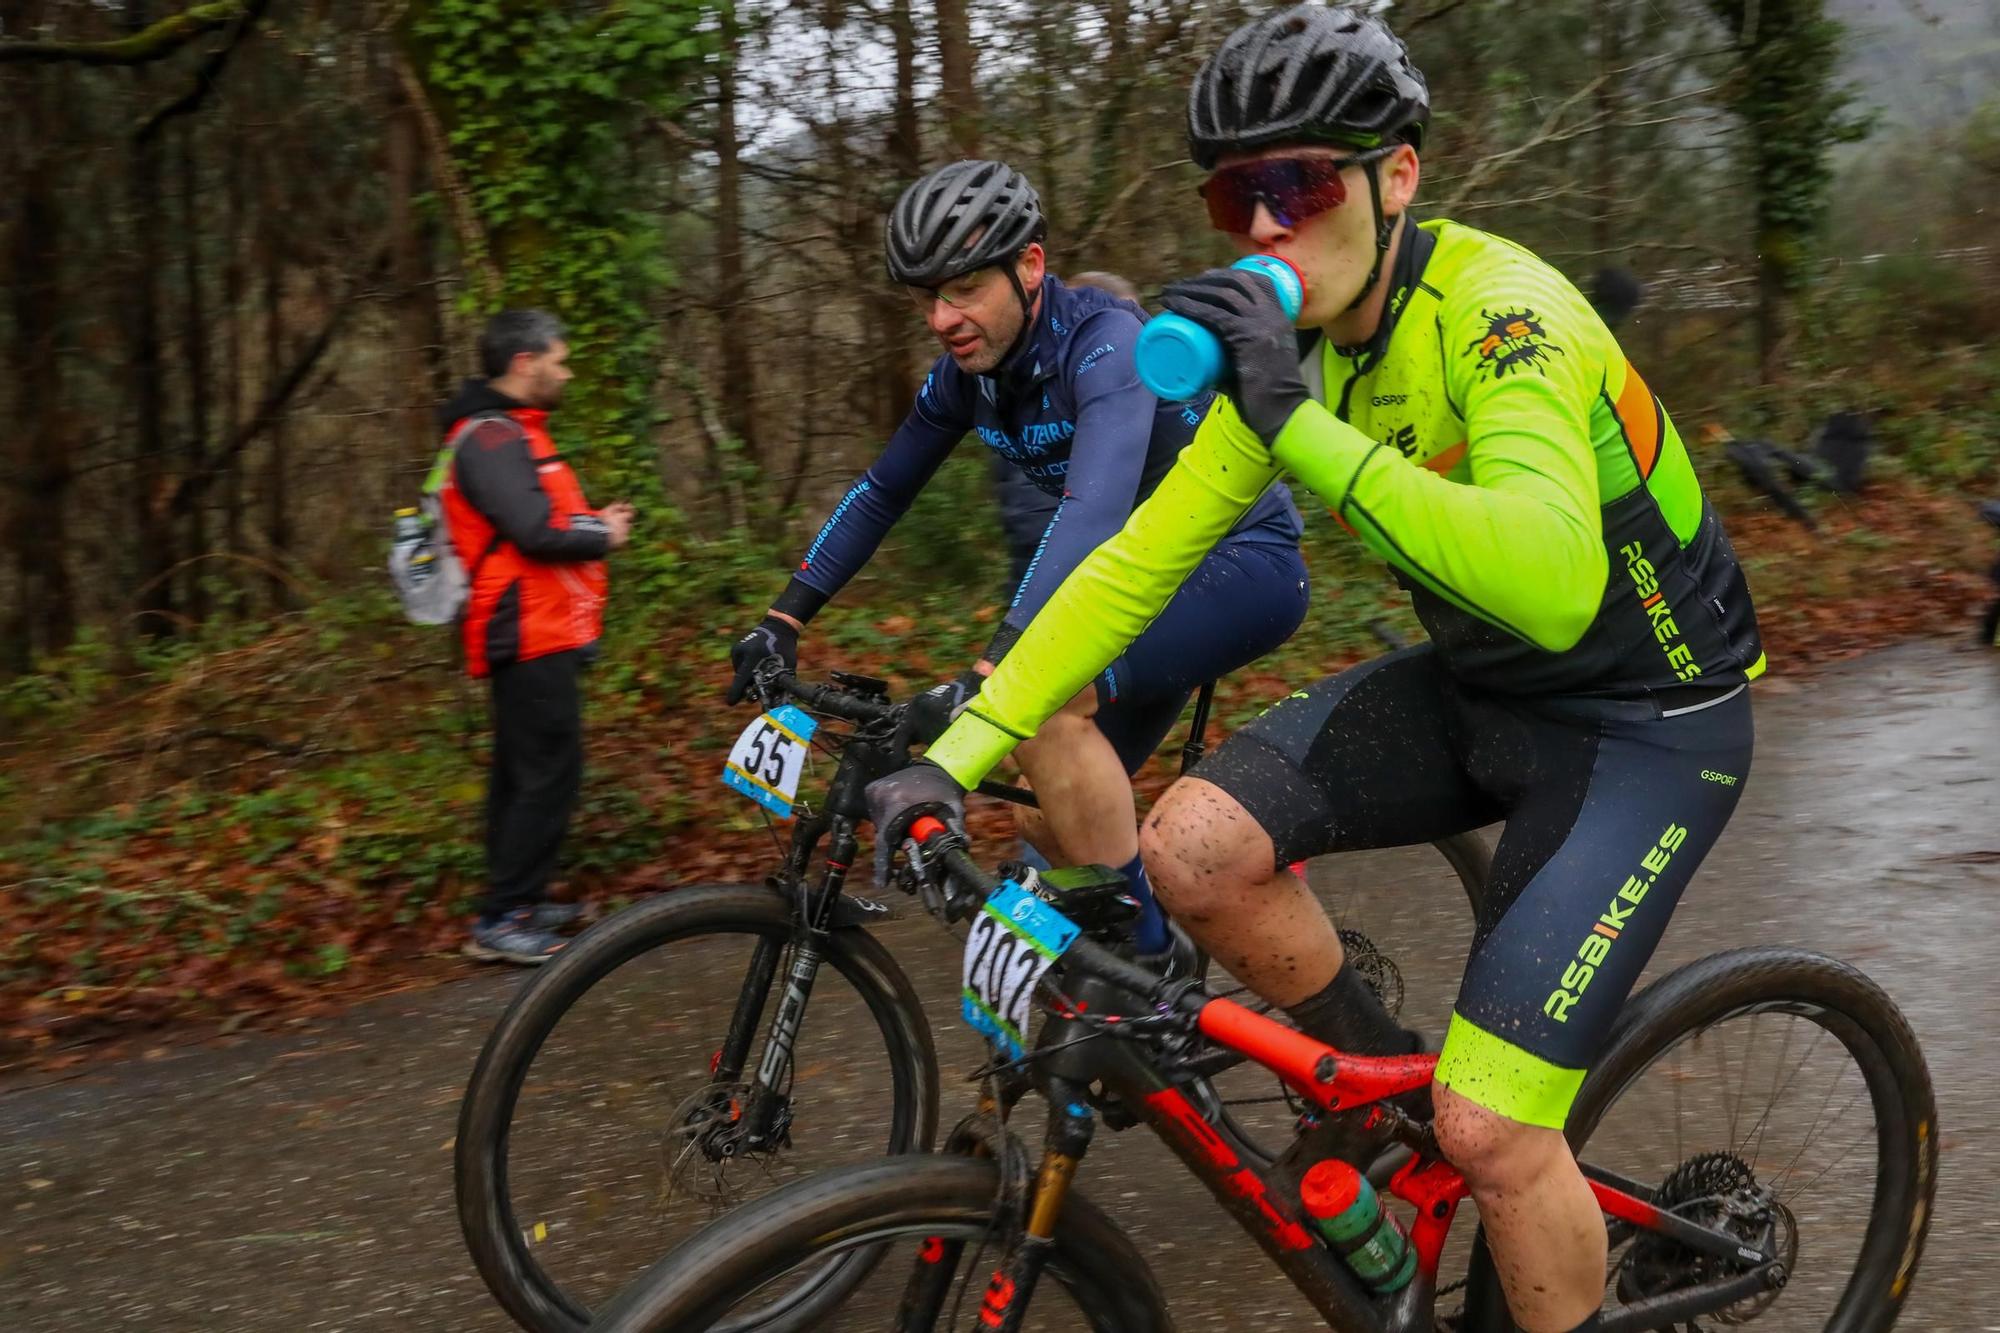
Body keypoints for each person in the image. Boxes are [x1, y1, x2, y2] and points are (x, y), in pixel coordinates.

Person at [867, 11, 1764, 1332]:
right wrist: (951, 750)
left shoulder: (1504, 318)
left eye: (1303, 184)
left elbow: (1555, 576)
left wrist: (1300, 424)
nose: (1269, 224)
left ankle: (1457, 1135)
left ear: (1395, 178)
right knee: (1188, 851)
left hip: (1645, 721)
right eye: (1240, 195)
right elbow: (1130, 569)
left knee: (1497, 1128)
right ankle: (1390, 1107)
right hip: (1483, 684)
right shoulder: (1295, 359)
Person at [727, 161, 1308, 946]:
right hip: (1126, 590)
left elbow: (1091, 510)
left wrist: (998, 668)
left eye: (963, 287)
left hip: (1241, 564)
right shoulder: (969, 378)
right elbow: (880, 492)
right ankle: (1104, 1024)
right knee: (1052, 842)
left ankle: (1150, 972)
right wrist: (783, 617)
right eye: (928, 296)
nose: (941, 316)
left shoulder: (1107, 344)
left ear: (1030, 266)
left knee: (1039, 704)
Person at [440, 310, 634, 964]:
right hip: (523, 627)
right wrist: (601, 535)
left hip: (541, 625)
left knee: (524, 770)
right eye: (560, 357)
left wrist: (589, 519)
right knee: (547, 771)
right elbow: (532, 532)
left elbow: (541, 518)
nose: (568, 369)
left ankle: (513, 899)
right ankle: (504, 917)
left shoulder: (507, 432)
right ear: (525, 363)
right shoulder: (489, 438)